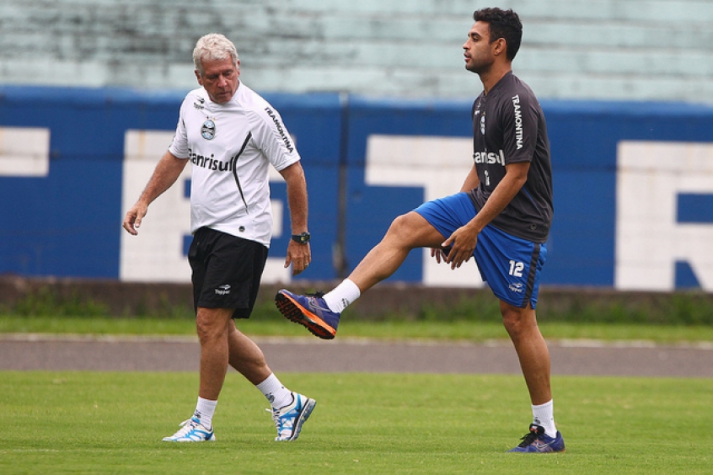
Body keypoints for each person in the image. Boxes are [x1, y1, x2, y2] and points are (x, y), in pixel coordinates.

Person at [275, 8, 564, 453]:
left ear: (499, 46)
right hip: (480, 206)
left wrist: (470, 228)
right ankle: (330, 306)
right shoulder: (483, 100)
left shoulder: (516, 100)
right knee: (407, 226)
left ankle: (547, 430)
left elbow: (517, 175)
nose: (465, 45)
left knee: (518, 320)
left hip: (518, 226)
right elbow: (484, 166)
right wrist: (451, 223)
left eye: (474, 37)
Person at [123, 33, 316, 443]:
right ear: (199, 77)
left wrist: (300, 234)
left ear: (239, 68)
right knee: (219, 330)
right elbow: (177, 156)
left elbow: (294, 172)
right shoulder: (192, 105)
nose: (223, 83)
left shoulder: (259, 114)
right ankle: (286, 402)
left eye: (228, 73)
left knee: (209, 324)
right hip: (207, 230)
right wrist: (144, 200)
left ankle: (202, 423)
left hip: (244, 232)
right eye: (213, 77)